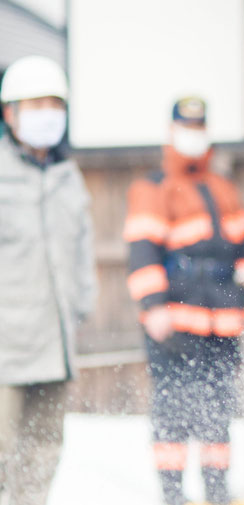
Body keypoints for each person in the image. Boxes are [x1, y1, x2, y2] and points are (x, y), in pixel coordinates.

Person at [123, 96, 244, 505]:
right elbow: (142, 252)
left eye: (200, 128)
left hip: (223, 322)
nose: (194, 135)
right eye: (187, 127)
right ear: (171, 131)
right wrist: (153, 306)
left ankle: (218, 494)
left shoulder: (223, 187)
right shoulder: (153, 187)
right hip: (176, 321)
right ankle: (174, 497)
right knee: (174, 416)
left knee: (218, 416)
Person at [0, 56, 97, 505]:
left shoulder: (67, 176)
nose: (46, 115)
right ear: (9, 113)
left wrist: (81, 305)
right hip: (6, 349)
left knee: (44, 451)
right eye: (35, 105)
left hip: (54, 344)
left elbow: (81, 250)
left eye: (54, 105)